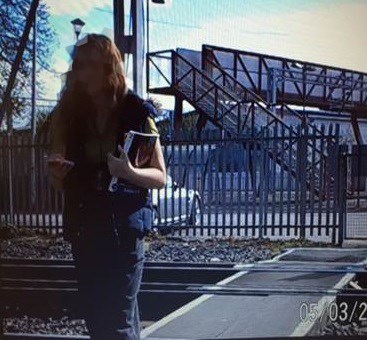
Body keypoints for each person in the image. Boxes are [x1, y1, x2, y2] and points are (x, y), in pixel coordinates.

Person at [47, 33, 166, 340]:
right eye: (77, 64)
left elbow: (160, 177)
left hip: (123, 233)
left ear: (108, 68)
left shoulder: (137, 113)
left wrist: (128, 172)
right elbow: (56, 181)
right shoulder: (71, 115)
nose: (80, 72)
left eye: (88, 65)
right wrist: (57, 174)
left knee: (118, 323)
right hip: (85, 231)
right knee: (97, 319)